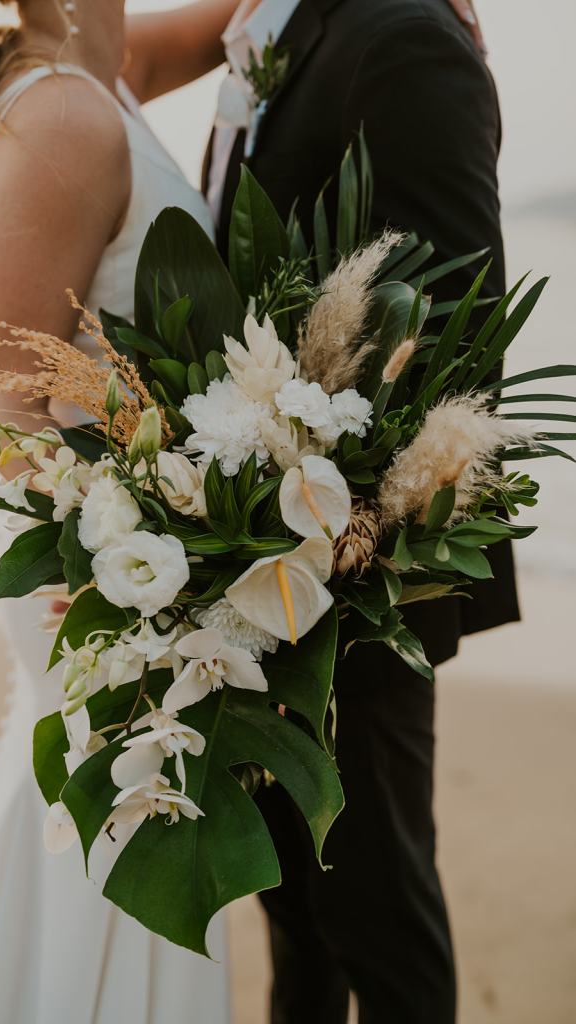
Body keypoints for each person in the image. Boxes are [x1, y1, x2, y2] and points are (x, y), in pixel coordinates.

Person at [0, 1, 239, 1021]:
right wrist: (155, 541)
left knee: (84, 880)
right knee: (111, 882)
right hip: (108, 589)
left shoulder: (101, 64)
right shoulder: (60, 115)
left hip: (137, 579)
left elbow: (226, 22)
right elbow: (4, 408)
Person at [204, 0, 514, 1021]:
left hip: (357, 602)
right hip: (263, 586)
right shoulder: (288, 25)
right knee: (297, 921)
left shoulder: (401, 34)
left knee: (383, 936)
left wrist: (344, 565)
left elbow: (459, 345)